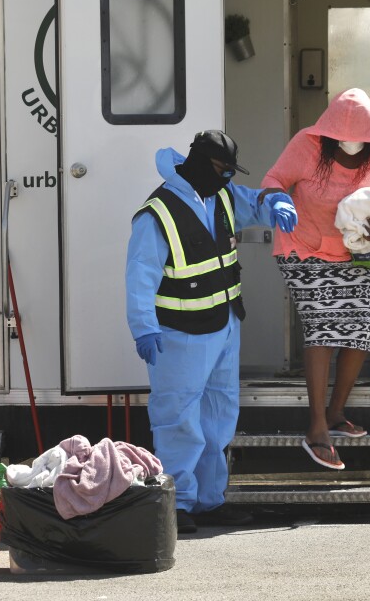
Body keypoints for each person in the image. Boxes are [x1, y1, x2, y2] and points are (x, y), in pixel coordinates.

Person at [126, 130, 297, 534]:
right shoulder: (159, 213)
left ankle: (208, 500)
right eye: (221, 169)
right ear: (200, 163)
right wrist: (144, 328)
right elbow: (140, 276)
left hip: (223, 325)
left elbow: (252, 203)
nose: (226, 178)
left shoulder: (218, 195)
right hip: (179, 334)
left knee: (218, 415)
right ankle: (177, 502)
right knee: (178, 420)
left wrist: (273, 199)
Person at [259, 88, 370, 471]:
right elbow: (273, 178)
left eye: (360, 143)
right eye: (343, 142)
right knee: (323, 327)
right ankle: (316, 427)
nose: (352, 148)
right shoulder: (307, 143)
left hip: (351, 251)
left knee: (358, 330)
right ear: (328, 135)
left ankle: (336, 412)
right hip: (302, 247)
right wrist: (277, 199)